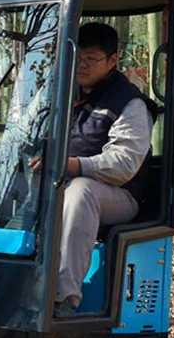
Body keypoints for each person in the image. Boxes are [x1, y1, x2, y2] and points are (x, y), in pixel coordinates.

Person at [54, 22, 157, 314]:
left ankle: (63, 298)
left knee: (81, 192)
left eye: (90, 58)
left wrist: (72, 166)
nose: (82, 65)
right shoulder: (61, 92)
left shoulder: (129, 102)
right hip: (59, 181)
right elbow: (27, 132)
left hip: (120, 195)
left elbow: (123, 165)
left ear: (113, 60)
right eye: (77, 57)